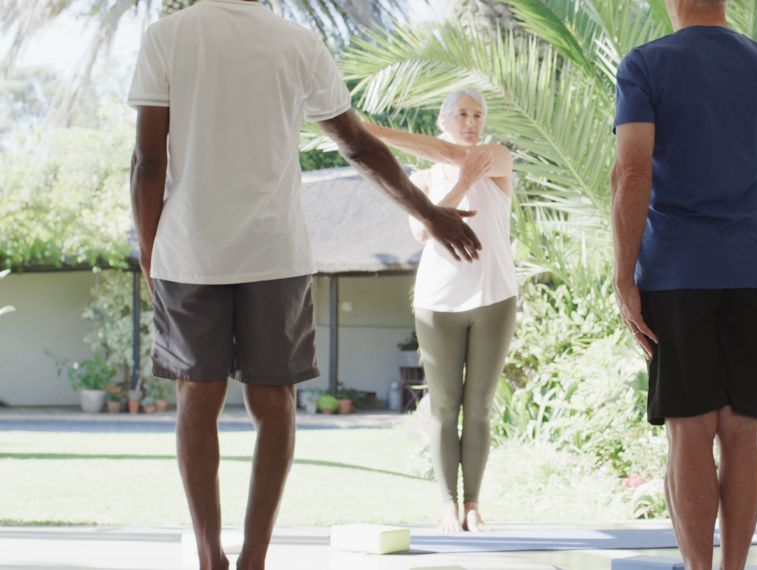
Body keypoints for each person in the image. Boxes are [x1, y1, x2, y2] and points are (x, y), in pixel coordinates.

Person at [127, 1, 481, 568]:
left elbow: (147, 160)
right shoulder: (297, 42)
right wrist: (428, 210)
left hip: (189, 252)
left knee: (198, 400)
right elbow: (358, 146)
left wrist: (151, 251)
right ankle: (254, 560)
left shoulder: (166, 36)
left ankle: (210, 559)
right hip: (275, 252)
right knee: (276, 405)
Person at [610, 0, 757, 568]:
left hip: (677, 273)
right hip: (755, 273)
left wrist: (623, 275)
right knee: (743, 433)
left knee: (690, 433)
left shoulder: (645, 64)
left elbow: (633, 170)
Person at [360, 89, 517, 533]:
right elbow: (424, 230)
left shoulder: (498, 159)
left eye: (478, 114)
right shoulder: (422, 180)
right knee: (444, 405)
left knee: (480, 406)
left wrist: (367, 131)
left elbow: (455, 154)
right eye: (462, 114)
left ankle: (473, 504)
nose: (472, 121)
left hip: (496, 298)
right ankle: (447, 504)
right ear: (442, 120)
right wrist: (462, 181)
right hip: (437, 302)